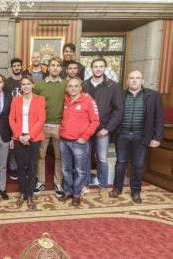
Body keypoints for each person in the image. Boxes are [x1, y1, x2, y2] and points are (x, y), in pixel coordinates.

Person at [109, 71, 164, 204]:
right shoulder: (119, 95)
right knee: (121, 163)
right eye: (131, 78)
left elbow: (159, 118)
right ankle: (117, 188)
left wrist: (157, 137)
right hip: (122, 135)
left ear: (142, 80)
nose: (134, 80)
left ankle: (136, 192)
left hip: (141, 136)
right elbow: (113, 113)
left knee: (138, 165)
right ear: (127, 80)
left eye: (137, 78)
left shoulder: (154, 95)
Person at [82, 58, 123, 200]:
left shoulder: (113, 86)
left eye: (101, 66)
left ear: (105, 68)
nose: (98, 69)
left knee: (102, 159)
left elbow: (118, 110)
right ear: (91, 68)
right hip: (85, 129)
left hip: (102, 129)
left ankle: (103, 186)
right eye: (95, 66)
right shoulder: (84, 85)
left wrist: (108, 129)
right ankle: (84, 185)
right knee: (85, 158)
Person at [59, 78, 100, 206]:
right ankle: (69, 191)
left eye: (76, 86)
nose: (73, 88)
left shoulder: (89, 101)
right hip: (64, 141)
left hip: (79, 142)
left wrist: (84, 137)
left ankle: (77, 194)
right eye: (70, 86)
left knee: (80, 170)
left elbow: (95, 121)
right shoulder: (65, 99)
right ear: (67, 88)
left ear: (80, 88)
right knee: (66, 169)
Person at [9, 76, 46, 209]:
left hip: (34, 138)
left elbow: (41, 120)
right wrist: (19, 136)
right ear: (21, 86)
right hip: (19, 137)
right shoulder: (15, 100)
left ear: (33, 85)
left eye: (28, 84)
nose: (25, 86)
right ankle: (22, 193)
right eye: (23, 84)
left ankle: (30, 195)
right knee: (20, 166)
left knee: (31, 166)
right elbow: (11, 119)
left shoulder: (40, 99)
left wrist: (29, 136)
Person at [33, 56, 67, 197]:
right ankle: (40, 181)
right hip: (43, 126)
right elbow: (34, 106)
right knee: (40, 155)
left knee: (60, 156)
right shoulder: (39, 86)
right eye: (52, 65)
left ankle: (58, 183)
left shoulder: (66, 84)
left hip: (60, 126)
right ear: (48, 68)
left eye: (57, 65)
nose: (55, 68)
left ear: (60, 68)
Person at [4, 58, 24, 180]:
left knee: (24, 143)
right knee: (12, 143)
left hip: (25, 117)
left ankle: (24, 166)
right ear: (11, 67)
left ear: (22, 66)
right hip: (11, 117)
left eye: (18, 65)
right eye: (14, 66)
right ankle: (13, 167)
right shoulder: (7, 82)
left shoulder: (26, 81)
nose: (16, 67)